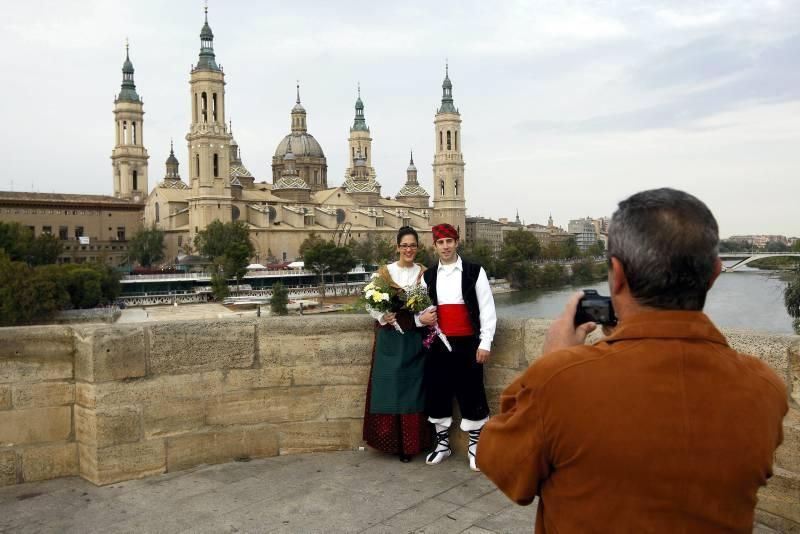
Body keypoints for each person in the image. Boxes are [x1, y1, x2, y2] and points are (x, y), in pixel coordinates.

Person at [478, 188, 788, 533]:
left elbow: (501, 465)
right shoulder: (764, 387)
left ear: (617, 274)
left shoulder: (562, 380)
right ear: (715, 274)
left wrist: (553, 362)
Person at [418, 223, 496, 471]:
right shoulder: (428, 276)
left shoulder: (474, 271)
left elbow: (487, 309)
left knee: (471, 391)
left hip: (467, 343)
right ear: (435, 246)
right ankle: (443, 445)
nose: (445, 247)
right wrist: (422, 318)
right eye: (440, 243)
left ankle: (475, 447)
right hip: (438, 343)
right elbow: (421, 309)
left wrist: (485, 342)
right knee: (437, 390)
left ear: (456, 242)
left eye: (449, 241)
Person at [363, 226, 431, 462]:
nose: (409, 249)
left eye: (413, 245)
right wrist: (384, 316)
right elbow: (371, 302)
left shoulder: (424, 274)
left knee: (412, 390)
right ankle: (390, 442)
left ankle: (410, 445)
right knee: (390, 388)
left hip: (414, 338)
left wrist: (421, 317)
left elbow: (429, 306)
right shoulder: (383, 274)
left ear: (418, 248)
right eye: (405, 245)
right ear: (398, 247)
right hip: (390, 339)